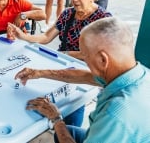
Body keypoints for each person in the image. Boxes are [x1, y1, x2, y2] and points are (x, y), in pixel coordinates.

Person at [20, 17, 150, 143]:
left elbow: (114, 118)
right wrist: (39, 73)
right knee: (70, 131)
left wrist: (56, 119)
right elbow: (84, 76)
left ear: (103, 60)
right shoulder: (138, 73)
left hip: (117, 128)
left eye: (85, 55)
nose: (84, 60)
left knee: (62, 129)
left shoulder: (115, 114)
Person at [7, 0, 111, 127]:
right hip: (62, 62)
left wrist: (67, 54)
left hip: (86, 70)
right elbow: (46, 36)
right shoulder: (68, 13)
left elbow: (100, 55)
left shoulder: (103, 19)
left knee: (74, 104)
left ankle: (69, 131)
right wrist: (23, 36)